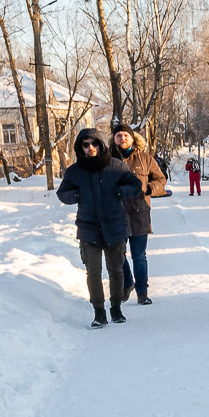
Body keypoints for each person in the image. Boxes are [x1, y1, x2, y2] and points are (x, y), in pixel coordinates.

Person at [57, 128, 142, 329]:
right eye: (86, 144)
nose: (91, 148)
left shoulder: (115, 166)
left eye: (94, 143)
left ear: (101, 144)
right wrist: (76, 196)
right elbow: (63, 193)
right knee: (93, 272)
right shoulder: (75, 171)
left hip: (115, 227)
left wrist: (121, 192)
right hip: (89, 229)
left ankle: (116, 308)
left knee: (116, 270)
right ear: (81, 147)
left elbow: (136, 185)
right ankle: (99, 312)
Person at [110, 123, 167, 306]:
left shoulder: (145, 159)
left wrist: (150, 188)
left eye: (125, 135)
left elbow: (160, 179)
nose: (122, 138)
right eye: (118, 135)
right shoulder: (107, 159)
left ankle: (142, 293)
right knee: (118, 254)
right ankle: (128, 282)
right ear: (114, 139)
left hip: (139, 213)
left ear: (132, 138)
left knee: (139, 255)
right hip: (115, 213)